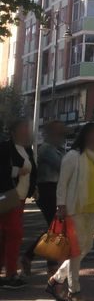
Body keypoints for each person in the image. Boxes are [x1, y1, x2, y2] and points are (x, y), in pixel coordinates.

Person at [47, 122, 94, 301]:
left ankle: (56, 280)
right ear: (87, 135)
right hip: (74, 207)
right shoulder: (73, 156)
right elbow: (62, 183)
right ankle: (74, 291)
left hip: (90, 207)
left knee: (86, 247)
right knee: (76, 250)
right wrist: (61, 205)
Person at [21, 120, 66, 276]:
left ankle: (30, 257)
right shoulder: (46, 149)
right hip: (47, 190)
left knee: (54, 228)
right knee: (55, 227)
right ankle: (49, 264)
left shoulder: (57, 148)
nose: (61, 135)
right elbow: (62, 166)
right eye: (58, 132)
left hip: (54, 190)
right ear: (51, 133)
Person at [0, 119, 37, 289]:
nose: (26, 132)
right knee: (14, 234)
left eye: (27, 129)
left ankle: (7, 272)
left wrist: (33, 188)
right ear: (13, 132)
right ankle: (11, 274)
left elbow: (32, 170)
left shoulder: (27, 149)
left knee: (6, 235)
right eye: (23, 129)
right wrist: (16, 171)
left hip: (21, 197)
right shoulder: (5, 147)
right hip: (9, 196)